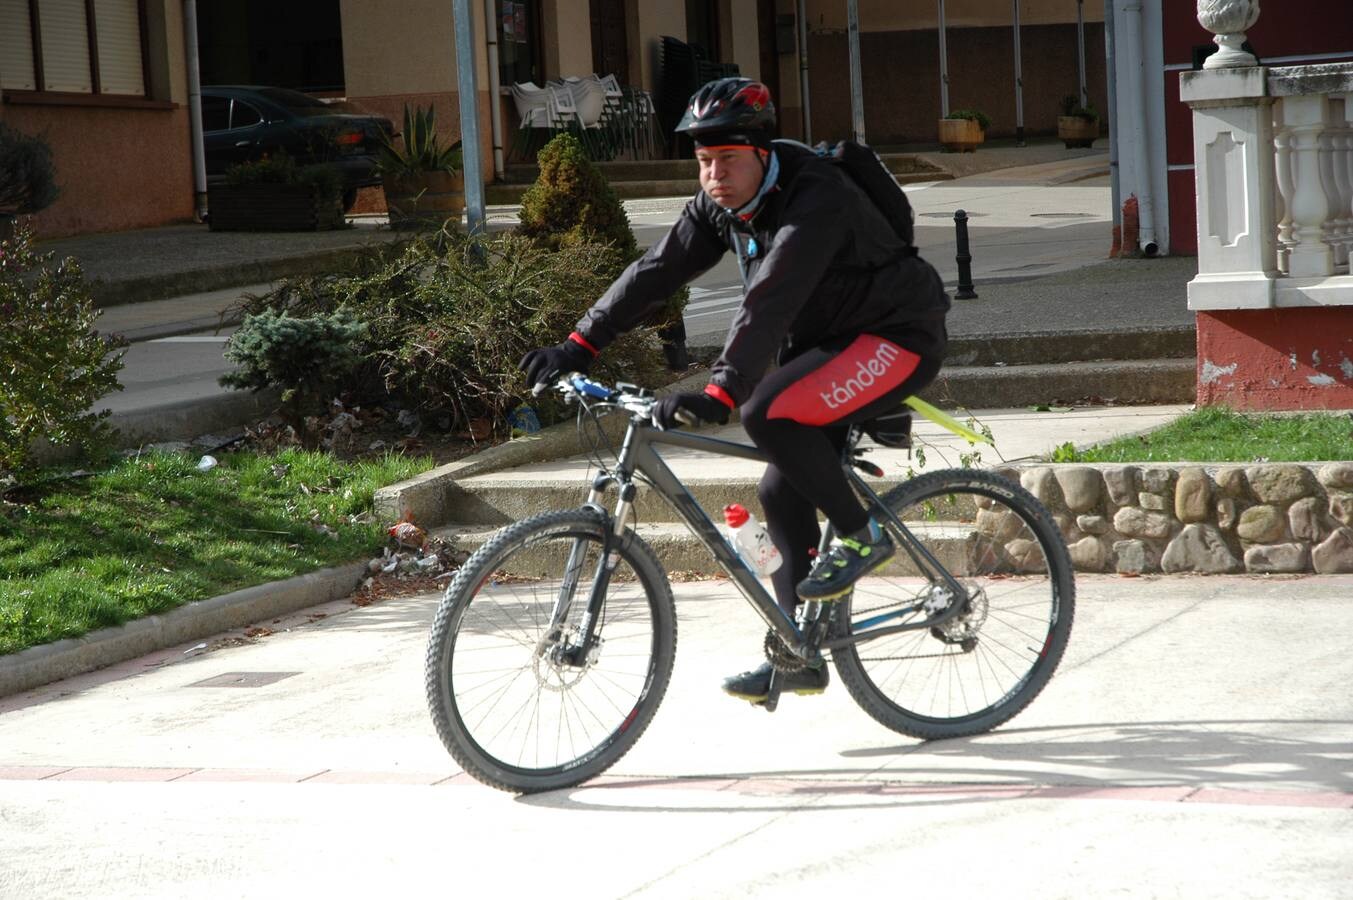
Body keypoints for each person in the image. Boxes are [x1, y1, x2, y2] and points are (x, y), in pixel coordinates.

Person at [521, 77, 950, 704]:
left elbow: (771, 297)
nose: (714, 174)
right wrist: (578, 344)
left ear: (760, 151)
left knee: (765, 413)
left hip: (897, 335)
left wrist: (721, 391)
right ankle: (801, 656)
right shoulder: (718, 205)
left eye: (726, 159)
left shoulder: (815, 194)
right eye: (702, 162)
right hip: (828, 346)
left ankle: (863, 534)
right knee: (782, 486)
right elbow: (655, 272)